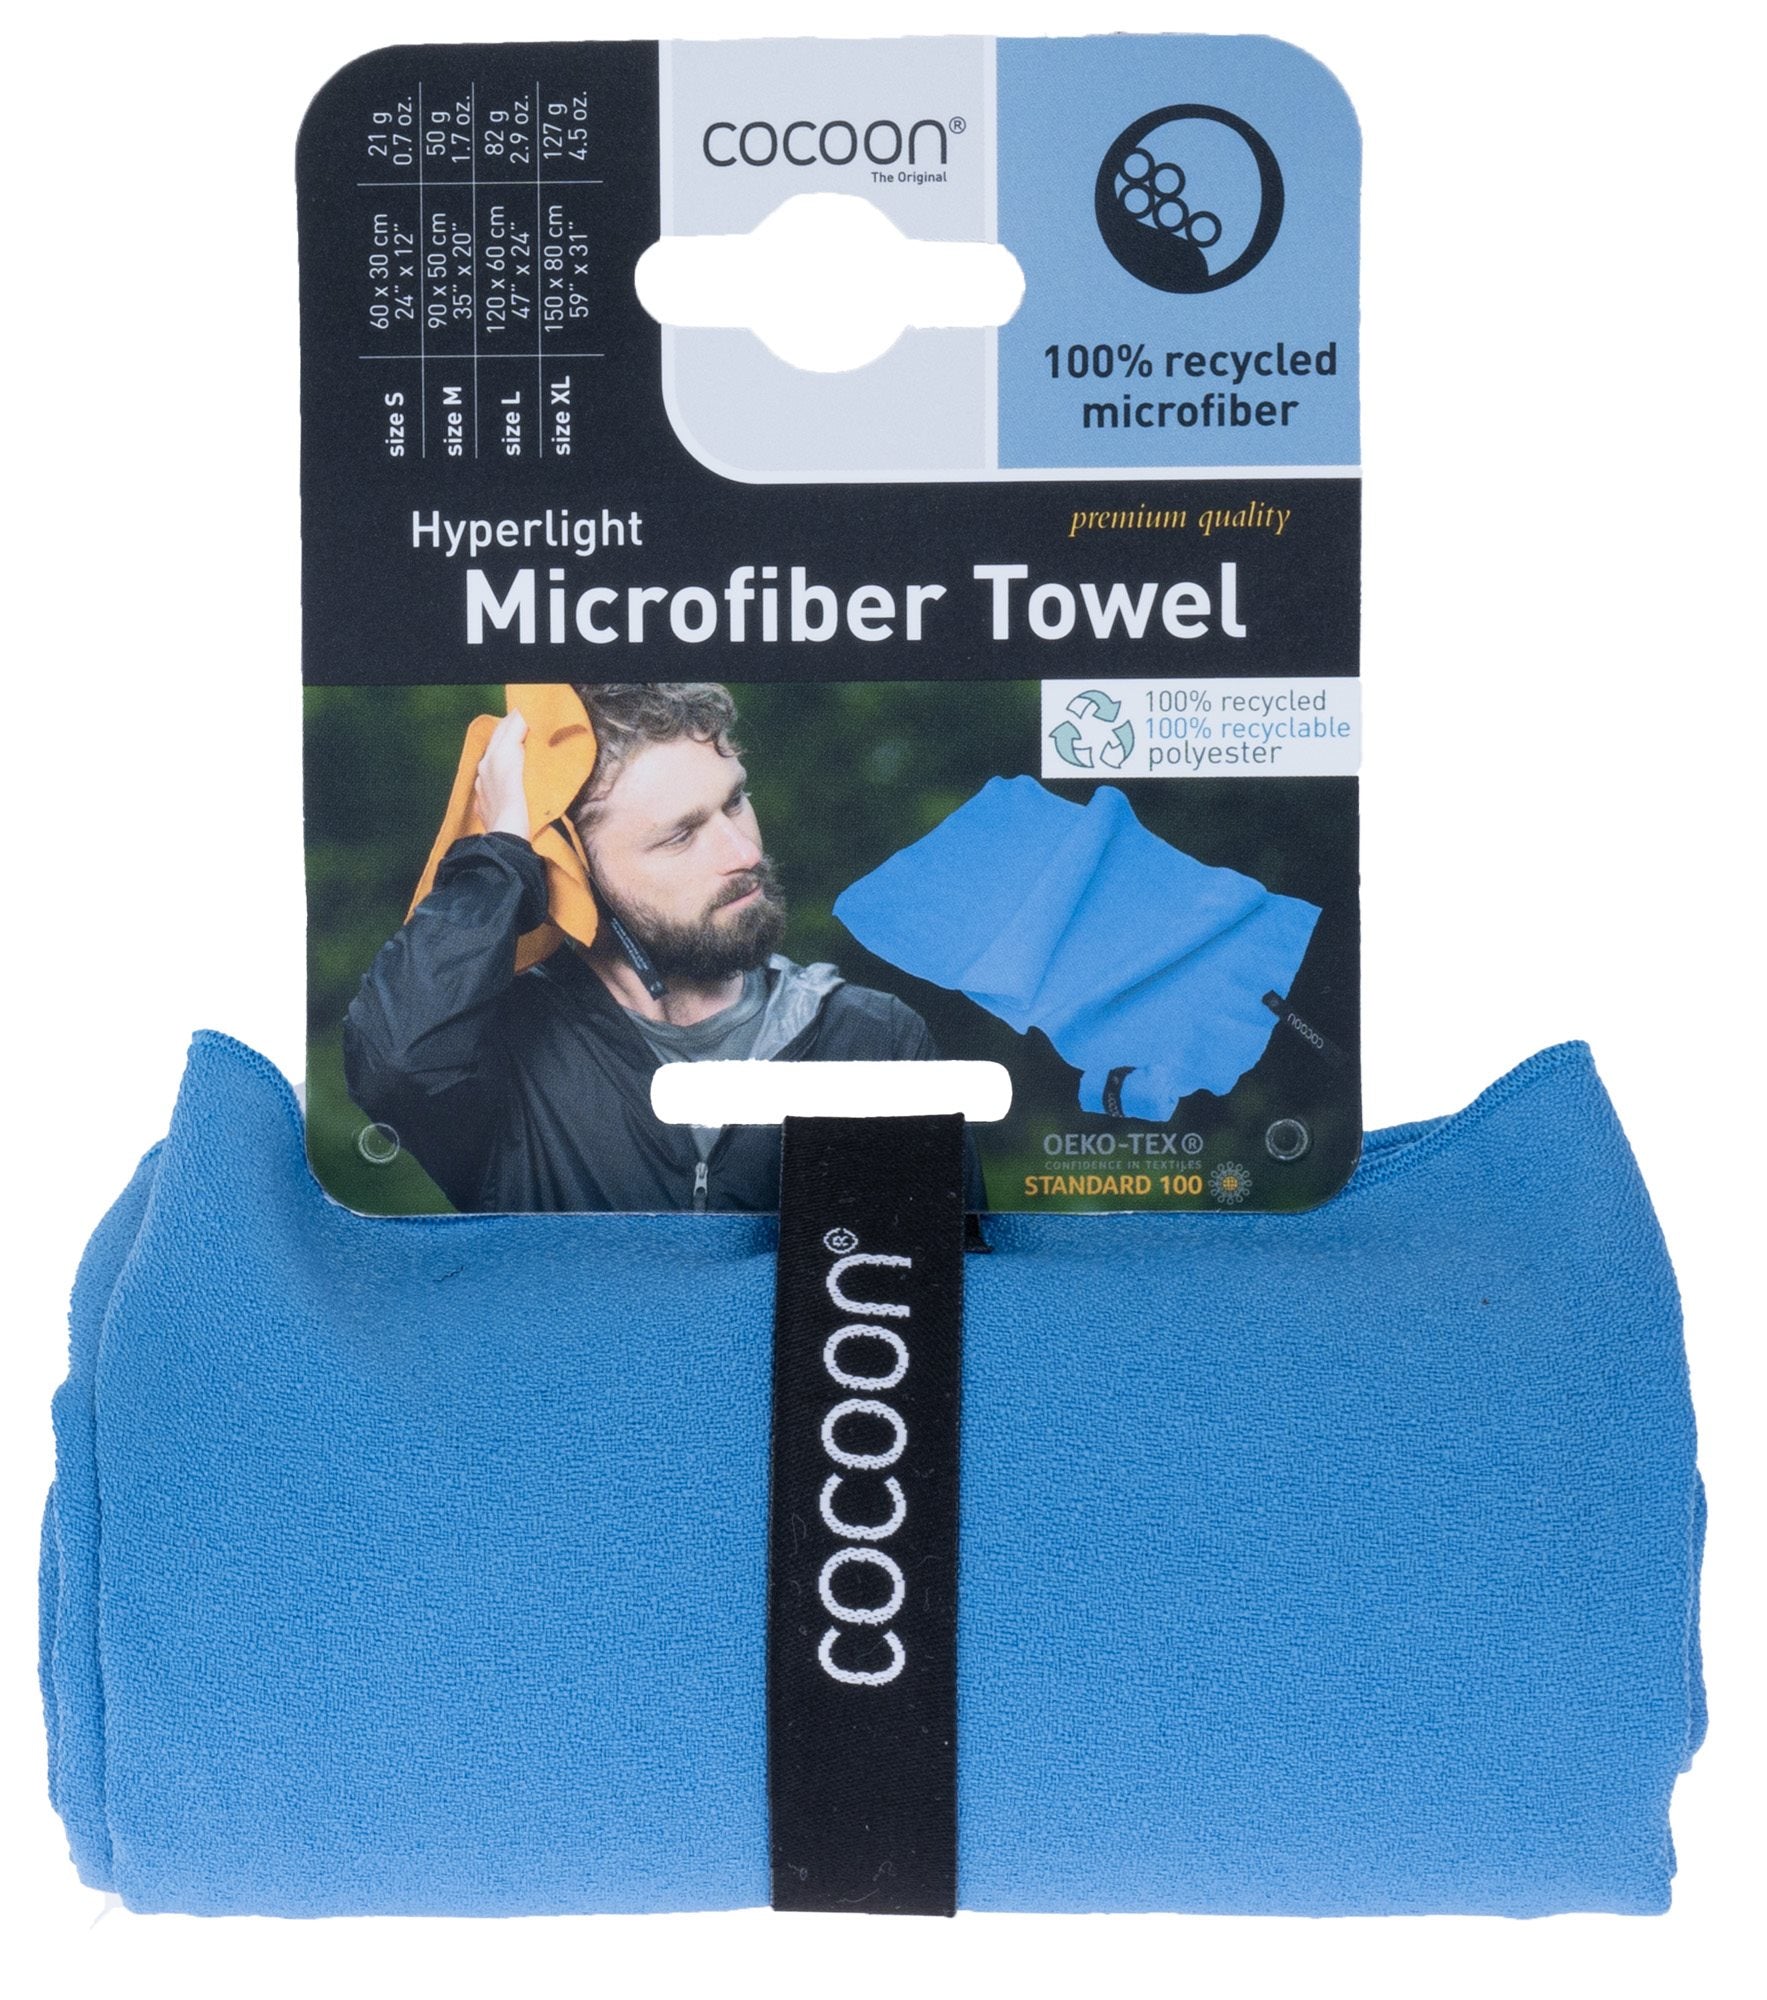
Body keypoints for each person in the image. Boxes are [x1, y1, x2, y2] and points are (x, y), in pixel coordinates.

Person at [342, 682, 982, 1213]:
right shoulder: (506, 1057)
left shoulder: (873, 1041)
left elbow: (948, 1291)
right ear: (576, 872)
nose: (744, 852)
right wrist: (503, 851)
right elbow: (396, 1063)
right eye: (680, 836)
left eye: (735, 801)